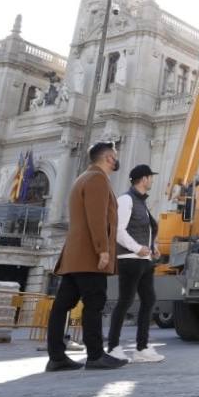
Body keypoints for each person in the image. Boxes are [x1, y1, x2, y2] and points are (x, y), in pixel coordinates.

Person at [45, 141, 124, 372]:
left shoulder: (83, 178)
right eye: (115, 156)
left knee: (62, 305)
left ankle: (57, 356)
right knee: (94, 304)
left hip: (74, 255)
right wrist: (103, 250)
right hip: (90, 255)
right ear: (109, 158)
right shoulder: (98, 179)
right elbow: (97, 218)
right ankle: (96, 355)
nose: (115, 160)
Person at [106, 164, 163, 364]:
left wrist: (153, 246)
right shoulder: (126, 199)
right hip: (129, 260)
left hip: (144, 260)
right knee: (125, 301)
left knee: (149, 300)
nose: (152, 181)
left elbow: (146, 231)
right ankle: (113, 347)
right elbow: (119, 231)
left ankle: (142, 347)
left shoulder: (142, 203)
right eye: (150, 177)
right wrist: (137, 248)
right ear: (144, 179)